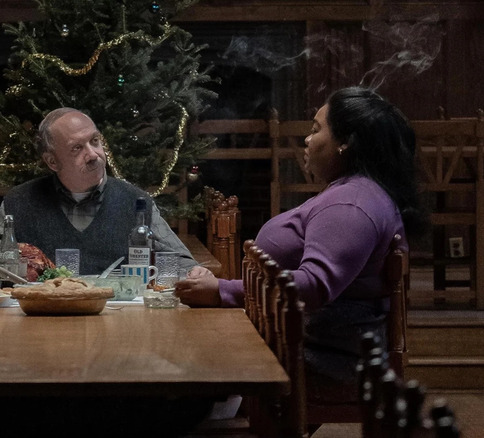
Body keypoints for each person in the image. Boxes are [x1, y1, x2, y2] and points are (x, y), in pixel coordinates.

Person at [175, 86, 425, 395]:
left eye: (316, 129)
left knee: (178, 355)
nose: (308, 139)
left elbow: (313, 286)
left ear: (345, 143)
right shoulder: (352, 191)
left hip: (321, 355)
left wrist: (221, 291)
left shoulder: (351, 203)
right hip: (300, 337)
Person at [0, 107, 196, 286]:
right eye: (77, 148)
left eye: (95, 141)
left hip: (118, 321)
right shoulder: (20, 202)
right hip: (40, 325)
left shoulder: (135, 201)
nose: (93, 154)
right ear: (52, 162)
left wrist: (195, 273)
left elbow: (179, 261)